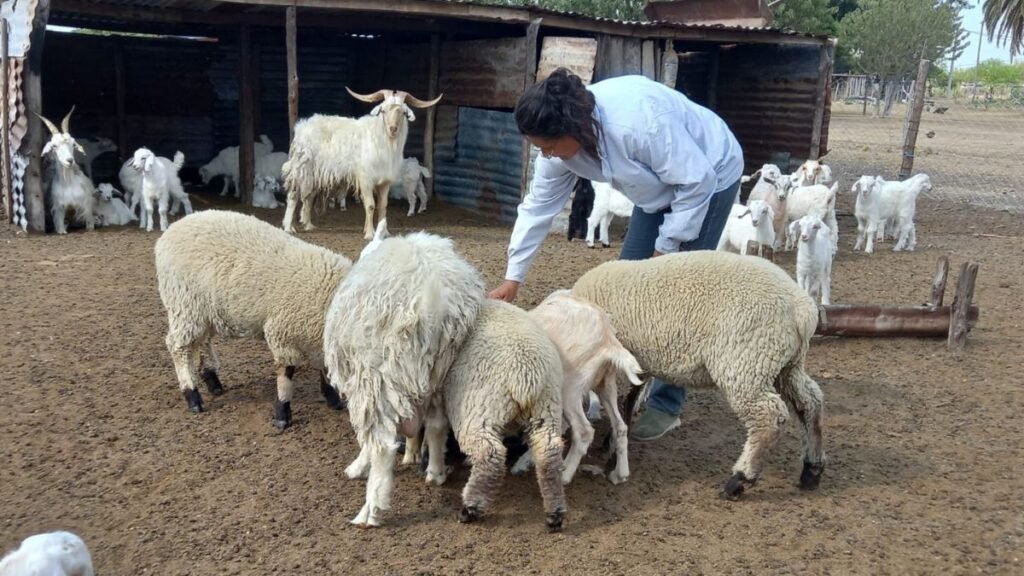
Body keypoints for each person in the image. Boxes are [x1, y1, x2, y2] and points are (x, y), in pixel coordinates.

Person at [488, 68, 745, 443]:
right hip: (653, 188)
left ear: (573, 127)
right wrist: (514, 277)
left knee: (676, 296)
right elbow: (537, 208)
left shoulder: (638, 123)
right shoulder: (559, 152)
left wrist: (666, 249)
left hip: (709, 175)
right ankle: (612, 386)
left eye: (548, 145)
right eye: (538, 146)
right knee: (624, 295)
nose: (546, 154)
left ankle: (666, 402)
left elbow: (696, 180)